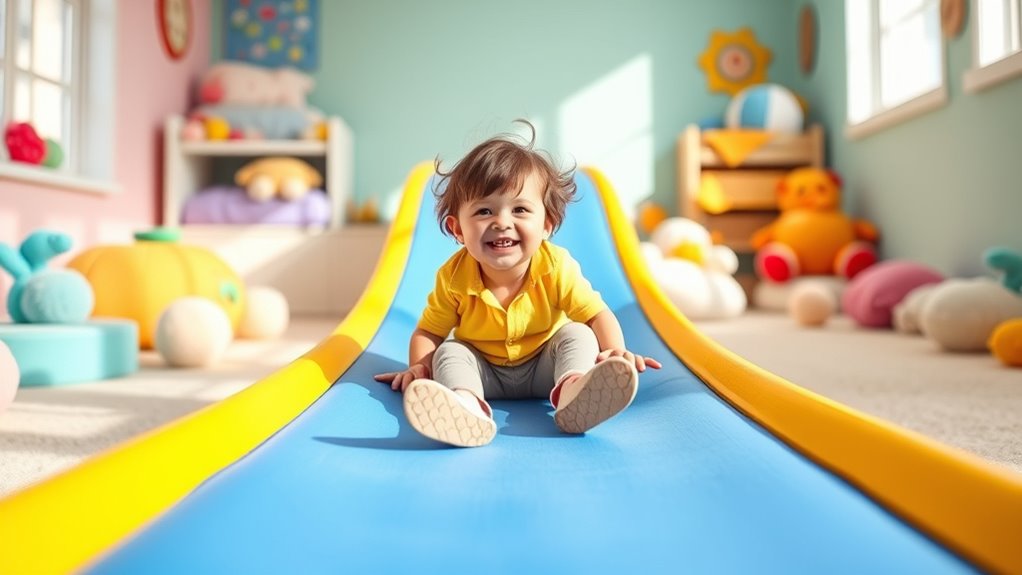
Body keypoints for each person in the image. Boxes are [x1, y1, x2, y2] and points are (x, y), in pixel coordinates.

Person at [374, 121, 661, 447]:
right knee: (451, 351)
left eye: (520, 209)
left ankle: (574, 392)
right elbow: (429, 332)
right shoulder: (453, 278)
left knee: (578, 334)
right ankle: (466, 406)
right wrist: (418, 368)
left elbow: (596, 315)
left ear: (546, 225)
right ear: (457, 229)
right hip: (485, 374)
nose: (501, 222)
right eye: (484, 211)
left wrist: (613, 350)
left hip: (546, 368)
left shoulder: (555, 267)